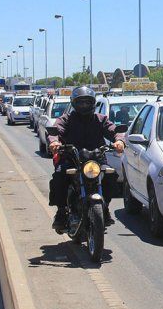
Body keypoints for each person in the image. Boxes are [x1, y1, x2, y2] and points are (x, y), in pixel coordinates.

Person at [48, 86, 126, 231]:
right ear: (74, 103)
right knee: (59, 177)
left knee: (110, 176)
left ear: (93, 103)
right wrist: (54, 141)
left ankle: (105, 206)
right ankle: (61, 211)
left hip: (96, 159)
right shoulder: (67, 119)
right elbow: (56, 130)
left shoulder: (100, 119)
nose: (84, 106)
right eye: (80, 102)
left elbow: (113, 130)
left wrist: (119, 140)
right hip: (72, 158)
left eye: (87, 102)